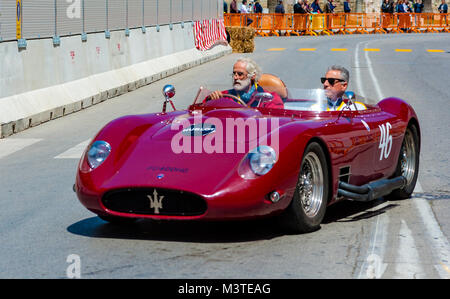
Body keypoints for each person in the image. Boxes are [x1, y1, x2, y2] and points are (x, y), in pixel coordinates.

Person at [207, 58, 284, 109]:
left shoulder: (269, 98)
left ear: (252, 76)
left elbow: (276, 120)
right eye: (234, 74)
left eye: (240, 74)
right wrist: (211, 100)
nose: (235, 77)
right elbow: (202, 110)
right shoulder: (225, 96)